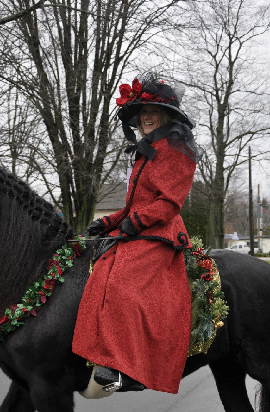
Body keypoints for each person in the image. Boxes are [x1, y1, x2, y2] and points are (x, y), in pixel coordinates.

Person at [72, 74, 202, 394]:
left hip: (161, 232)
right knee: (100, 269)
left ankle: (125, 371)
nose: (145, 116)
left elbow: (169, 203)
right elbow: (133, 204)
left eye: (152, 111)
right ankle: (97, 354)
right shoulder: (145, 151)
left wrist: (135, 223)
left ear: (166, 116)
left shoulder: (177, 149)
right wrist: (107, 223)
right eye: (142, 111)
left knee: (122, 282)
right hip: (140, 228)